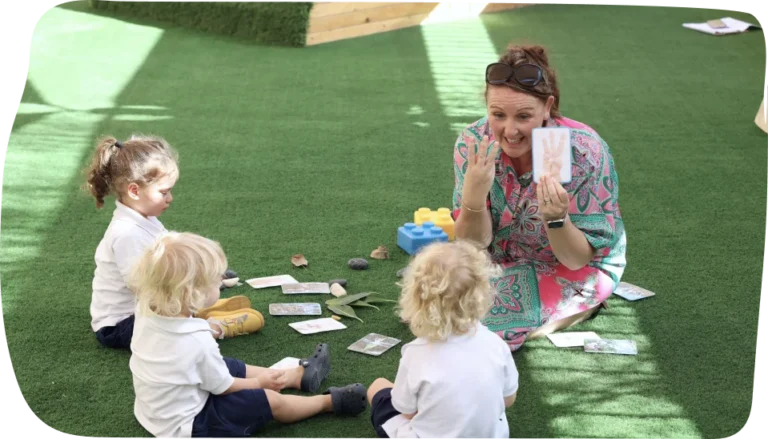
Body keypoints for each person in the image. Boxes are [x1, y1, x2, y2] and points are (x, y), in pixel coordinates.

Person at [451, 43, 627, 352]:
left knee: (480, 331)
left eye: (523, 116)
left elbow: (576, 258)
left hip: (571, 267)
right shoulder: (474, 142)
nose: (509, 130)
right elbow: (472, 244)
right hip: (494, 259)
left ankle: (579, 306)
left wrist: (556, 218)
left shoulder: (582, 151)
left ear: (547, 106)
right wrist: (474, 197)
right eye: (498, 114)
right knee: (434, 310)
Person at [127, 231, 369, 438]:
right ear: (193, 294)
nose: (222, 281)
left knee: (226, 364)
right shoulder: (196, 342)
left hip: (154, 409)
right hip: (190, 426)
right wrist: (258, 384)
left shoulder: (145, 309)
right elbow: (222, 387)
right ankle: (327, 403)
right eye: (216, 281)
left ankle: (295, 377)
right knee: (267, 399)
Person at [84, 134, 260, 349]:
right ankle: (212, 326)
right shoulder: (127, 234)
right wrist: (192, 290)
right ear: (134, 191)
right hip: (121, 326)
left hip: (147, 308)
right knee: (177, 334)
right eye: (164, 192)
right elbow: (147, 290)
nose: (170, 198)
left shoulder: (145, 219)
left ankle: (197, 312)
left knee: (183, 304)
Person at [366, 240, 519, 439]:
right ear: (482, 294)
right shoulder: (496, 344)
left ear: (416, 299)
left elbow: (407, 410)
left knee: (377, 386)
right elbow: (508, 399)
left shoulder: (416, 352)